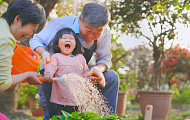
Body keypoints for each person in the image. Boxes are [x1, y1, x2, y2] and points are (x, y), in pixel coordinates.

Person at [30, 2, 119, 119]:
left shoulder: (105, 32)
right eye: (88, 30)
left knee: (111, 77)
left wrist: (97, 69)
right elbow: (35, 41)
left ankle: (107, 117)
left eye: (98, 32)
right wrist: (45, 54)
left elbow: (104, 58)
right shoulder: (59, 24)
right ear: (80, 19)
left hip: (79, 78)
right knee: (53, 116)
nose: (91, 37)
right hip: (53, 77)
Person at [0, 0, 46, 91]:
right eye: (32, 27)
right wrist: (28, 75)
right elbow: (3, 83)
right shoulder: (6, 39)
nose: (30, 33)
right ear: (17, 19)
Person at [43, 28, 89, 115]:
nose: (68, 40)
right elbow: (51, 67)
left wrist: (89, 78)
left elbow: (85, 72)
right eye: (64, 38)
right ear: (57, 44)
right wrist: (48, 74)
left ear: (75, 44)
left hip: (79, 100)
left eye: (71, 38)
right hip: (61, 101)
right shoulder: (56, 57)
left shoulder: (80, 58)